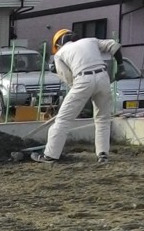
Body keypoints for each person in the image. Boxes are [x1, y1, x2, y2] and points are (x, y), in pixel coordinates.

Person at [37, 29, 121, 164]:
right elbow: (114, 45)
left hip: (83, 79)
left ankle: (50, 155)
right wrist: (121, 65)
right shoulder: (90, 41)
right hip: (103, 77)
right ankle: (103, 154)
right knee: (102, 119)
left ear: (58, 44)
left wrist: (59, 73)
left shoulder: (59, 54)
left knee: (63, 119)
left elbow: (69, 79)